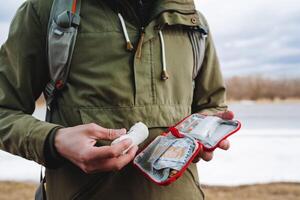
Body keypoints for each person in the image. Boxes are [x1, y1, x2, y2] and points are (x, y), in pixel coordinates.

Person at [0, 0, 230, 199]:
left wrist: (203, 136)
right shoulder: (46, 11)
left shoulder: (192, 21)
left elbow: (212, 106)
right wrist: (54, 140)